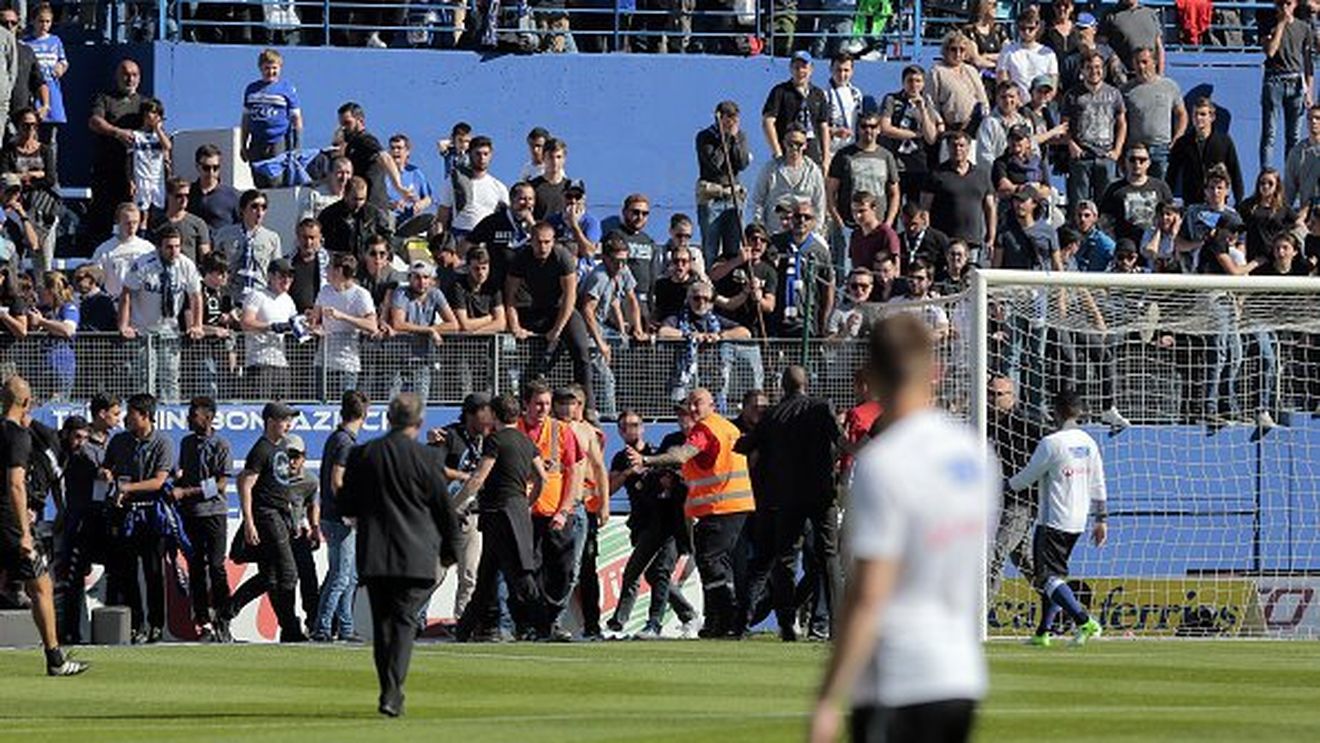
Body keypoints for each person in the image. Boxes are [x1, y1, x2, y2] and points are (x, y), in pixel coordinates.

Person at [808, 314, 996, 743]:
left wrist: (828, 697)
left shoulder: (883, 464)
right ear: (935, 370)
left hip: (897, 675)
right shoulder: (976, 457)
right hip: (961, 675)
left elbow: (869, 593)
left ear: (870, 377)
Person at [339, 393, 458, 716]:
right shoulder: (428, 458)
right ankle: (393, 692)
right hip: (416, 554)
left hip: (375, 552)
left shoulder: (364, 454)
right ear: (419, 422)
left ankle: (388, 690)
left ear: (389, 419)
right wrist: (451, 550)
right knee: (404, 622)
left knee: (383, 625)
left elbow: (346, 504)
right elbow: (444, 509)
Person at [628, 387, 755, 638]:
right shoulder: (728, 427)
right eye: (691, 404)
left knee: (710, 562)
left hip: (720, 507)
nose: (694, 408)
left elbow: (682, 455)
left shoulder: (704, 429)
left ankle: (728, 620)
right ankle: (719, 623)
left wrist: (646, 460)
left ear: (712, 406)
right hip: (737, 506)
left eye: (698, 403)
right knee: (721, 565)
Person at [736, 366, 840, 641]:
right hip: (821, 493)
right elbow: (839, 440)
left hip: (786, 497)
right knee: (828, 556)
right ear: (806, 383)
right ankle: (836, 623)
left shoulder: (773, 415)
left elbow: (745, 446)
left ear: (782, 386)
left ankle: (786, 622)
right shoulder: (822, 407)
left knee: (785, 558)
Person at [0, 375, 88, 676]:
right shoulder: (18, 436)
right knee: (41, 586)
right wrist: (25, 532)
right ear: (27, 402)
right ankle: (55, 659)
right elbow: (15, 484)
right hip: (11, 522)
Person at [1008, 388, 1108, 647]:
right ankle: (1044, 632)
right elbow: (1098, 483)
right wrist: (1101, 520)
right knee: (1055, 577)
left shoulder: (1051, 443)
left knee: (1046, 578)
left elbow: (1026, 478)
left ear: (1056, 411)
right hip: (1078, 522)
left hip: (1053, 521)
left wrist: (1002, 485)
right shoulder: (1088, 442)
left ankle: (1084, 620)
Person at [453, 393, 546, 643]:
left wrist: (453, 505)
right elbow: (541, 477)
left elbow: (478, 478)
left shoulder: (494, 440)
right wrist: (527, 503)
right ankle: (464, 630)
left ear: (494, 415)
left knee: (519, 575)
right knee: (488, 576)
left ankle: (543, 625)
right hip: (515, 511)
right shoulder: (526, 441)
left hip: (499, 514)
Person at [606, 409, 698, 638]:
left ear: (643, 427)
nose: (631, 430)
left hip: (666, 521)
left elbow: (674, 480)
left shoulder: (656, 452)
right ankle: (687, 615)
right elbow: (609, 489)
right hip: (641, 523)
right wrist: (628, 473)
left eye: (635, 425)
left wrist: (659, 476)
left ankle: (645, 622)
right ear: (619, 431)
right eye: (625, 427)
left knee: (658, 572)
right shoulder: (620, 458)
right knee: (641, 573)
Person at [101, 392, 174, 644]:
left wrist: (128, 488)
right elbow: (108, 466)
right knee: (128, 573)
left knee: (154, 572)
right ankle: (136, 624)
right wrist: (106, 473)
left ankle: (156, 625)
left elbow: (159, 481)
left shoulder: (163, 442)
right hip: (125, 513)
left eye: (131, 413)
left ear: (145, 416)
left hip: (151, 514)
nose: (126, 418)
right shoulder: (120, 441)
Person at [230, 401, 306, 643]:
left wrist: (291, 516)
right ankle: (291, 628)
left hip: (280, 515)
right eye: (284, 420)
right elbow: (245, 484)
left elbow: (281, 484)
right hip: (267, 515)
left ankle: (226, 613)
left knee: (270, 578)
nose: (289, 425)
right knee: (288, 573)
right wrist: (249, 522)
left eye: (290, 420)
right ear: (271, 422)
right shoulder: (261, 449)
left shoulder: (280, 446)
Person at [516, 379, 585, 640]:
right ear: (526, 404)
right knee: (528, 571)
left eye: (547, 404)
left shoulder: (561, 431)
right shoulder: (515, 430)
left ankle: (552, 619)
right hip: (525, 514)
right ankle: (531, 624)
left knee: (563, 570)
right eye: (538, 404)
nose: (543, 409)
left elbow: (574, 473)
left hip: (556, 514)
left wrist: (564, 510)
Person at [505, 222, 595, 409]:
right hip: (535, 309)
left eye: (547, 242)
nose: (543, 247)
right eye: (539, 242)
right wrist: (515, 326)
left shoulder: (563, 257)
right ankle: (525, 405)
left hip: (563, 309)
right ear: (531, 241)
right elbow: (510, 296)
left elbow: (570, 296)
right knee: (531, 359)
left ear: (553, 241)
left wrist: (557, 329)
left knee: (581, 351)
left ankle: (588, 408)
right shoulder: (522, 258)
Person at [119, 226, 204, 404]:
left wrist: (197, 325)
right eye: (169, 247)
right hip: (144, 330)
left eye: (177, 246)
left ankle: (170, 412)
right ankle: (143, 414)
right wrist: (124, 325)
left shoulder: (186, 265)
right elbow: (127, 293)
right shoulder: (143, 264)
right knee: (144, 379)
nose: (174, 251)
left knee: (170, 378)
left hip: (169, 331)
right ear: (159, 247)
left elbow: (195, 296)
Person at [312, 390, 368, 643]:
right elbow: (337, 481)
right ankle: (322, 627)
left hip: (332, 516)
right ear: (364, 414)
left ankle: (345, 626)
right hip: (339, 518)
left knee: (349, 575)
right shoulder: (346, 443)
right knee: (340, 577)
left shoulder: (337, 438)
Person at [1063, 50, 1127, 213]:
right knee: (1079, 206)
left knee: (1106, 205)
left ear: (1103, 69)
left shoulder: (1114, 94)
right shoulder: (1072, 95)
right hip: (1081, 157)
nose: (1094, 71)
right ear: (1082, 70)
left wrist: (1117, 150)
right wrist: (1071, 145)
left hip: (1106, 156)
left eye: (1098, 67)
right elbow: (1064, 125)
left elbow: (1122, 123)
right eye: (1089, 67)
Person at [87, 60, 142, 241]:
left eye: (134, 75)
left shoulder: (144, 103)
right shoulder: (105, 99)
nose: (130, 79)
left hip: (133, 175)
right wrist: (117, 132)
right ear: (117, 77)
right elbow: (95, 121)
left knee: (132, 219)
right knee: (102, 220)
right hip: (106, 171)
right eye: (126, 75)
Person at [922, 131, 995, 262]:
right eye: (953, 145)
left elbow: (990, 208)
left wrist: (991, 237)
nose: (957, 149)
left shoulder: (982, 175)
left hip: (972, 241)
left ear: (969, 147)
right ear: (948, 148)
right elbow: (925, 207)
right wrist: (928, 235)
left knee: (970, 274)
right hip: (943, 241)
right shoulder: (936, 174)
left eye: (961, 145)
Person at [695, 100, 750, 264]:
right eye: (729, 117)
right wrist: (724, 137)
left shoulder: (740, 136)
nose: (732, 122)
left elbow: (742, 163)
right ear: (719, 117)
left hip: (733, 197)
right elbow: (715, 165)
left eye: (735, 118)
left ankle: (729, 277)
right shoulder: (705, 137)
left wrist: (735, 139)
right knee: (710, 247)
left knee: (733, 245)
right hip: (711, 196)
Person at [1261, 0, 1314, 170]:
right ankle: (1266, 176)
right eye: (1280, 4)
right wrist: (1281, 24)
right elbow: (1270, 51)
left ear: (1296, 4)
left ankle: (1291, 178)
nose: (1284, 7)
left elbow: (1308, 62)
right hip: (1274, 80)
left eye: (1288, 3)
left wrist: (1309, 91)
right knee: (1269, 134)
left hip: (1296, 80)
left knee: (1294, 137)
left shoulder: (1303, 27)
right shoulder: (1268, 23)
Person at [879, 66, 943, 205]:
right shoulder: (891, 99)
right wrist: (915, 134)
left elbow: (931, 138)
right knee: (892, 205)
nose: (914, 85)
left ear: (923, 83)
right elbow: (885, 128)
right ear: (903, 82)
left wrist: (923, 110)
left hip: (917, 165)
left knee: (914, 208)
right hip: (894, 163)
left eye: (918, 81)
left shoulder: (927, 103)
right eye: (910, 81)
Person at [240, 48, 302, 187]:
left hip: (278, 141)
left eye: (274, 68)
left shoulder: (287, 88)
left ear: (280, 68)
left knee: (276, 182)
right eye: (267, 68)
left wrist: (297, 145)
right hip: (257, 142)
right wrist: (243, 144)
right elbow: (246, 120)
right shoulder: (251, 89)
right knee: (259, 181)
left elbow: (296, 118)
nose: (271, 72)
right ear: (260, 68)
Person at [761, 51, 832, 171]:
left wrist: (826, 158)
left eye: (804, 67)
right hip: (789, 148)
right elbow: (768, 122)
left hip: (812, 149)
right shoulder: (780, 91)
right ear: (791, 68)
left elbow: (823, 126)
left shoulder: (818, 94)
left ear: (811, 69)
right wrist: (777, 152)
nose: (800, 71)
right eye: (796, 67)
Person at [1121, 47, 1185, 179]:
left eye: (1145, 62)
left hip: (1161, 149)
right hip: (1135, 151)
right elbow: (1120, 121)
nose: (1141, 66)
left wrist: (1177, 139)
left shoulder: (1169, 86)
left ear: (1154, 62)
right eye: (1137, 62)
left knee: (1160, 188)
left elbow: (1181, 114)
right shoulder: (1126, 90)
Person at [335, 102, 411, 212]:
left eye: (347, 123)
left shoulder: (366, 140)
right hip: (357, 205)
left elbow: (385, 157)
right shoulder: (351, 145)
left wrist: (399, 187)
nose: (344, 128)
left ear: (360, 121)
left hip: (373, 206)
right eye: (341, 124)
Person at [1167, 96, 1244, 204]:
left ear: (1212, 117)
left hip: (1217, 202)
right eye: (1195, 114)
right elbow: (1172, 174)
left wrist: (1239, 201)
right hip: (1192, 202)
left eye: (1203, 114)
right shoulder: (1183, 143)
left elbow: (1235, 172)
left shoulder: (1224, 141)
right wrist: (1167, 200)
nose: (1198, 118)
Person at [435, 135, 506, 240]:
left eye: (485, 154)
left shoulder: (499, 187)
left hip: (486, 240)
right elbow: (443, 216)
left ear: (491, 155)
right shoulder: (454, 181)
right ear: (469, 154)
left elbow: (508, 219)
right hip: (459, 237)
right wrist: (438, 241)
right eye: (478, 154)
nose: (482, 158)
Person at [25, 5, 67, 163]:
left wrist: (61, 67)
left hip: (52, 94)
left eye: (48, 21)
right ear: (33, 21)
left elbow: (63, 62)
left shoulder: (56, 41)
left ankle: (50, 171)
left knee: (50, 139)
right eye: (41, 21)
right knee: (29, 135)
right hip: (31, 94)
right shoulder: (25, 42)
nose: (44, 25)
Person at [188, 144, 242, 234]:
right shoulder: (186, 194)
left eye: (215, 168)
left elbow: (242, 228)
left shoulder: (232, 196)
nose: (211, 172)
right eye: (206, 168)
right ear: (197, 166)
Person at [385, 134, 432, 226]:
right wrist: (392, 205)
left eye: (399, 148)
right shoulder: (382, 173)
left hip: (411, 220)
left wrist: (420, 204)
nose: (395, 151)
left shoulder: (415, 172)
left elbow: (428, 199)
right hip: (389, 219)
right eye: (392, 148)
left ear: (407, 152)